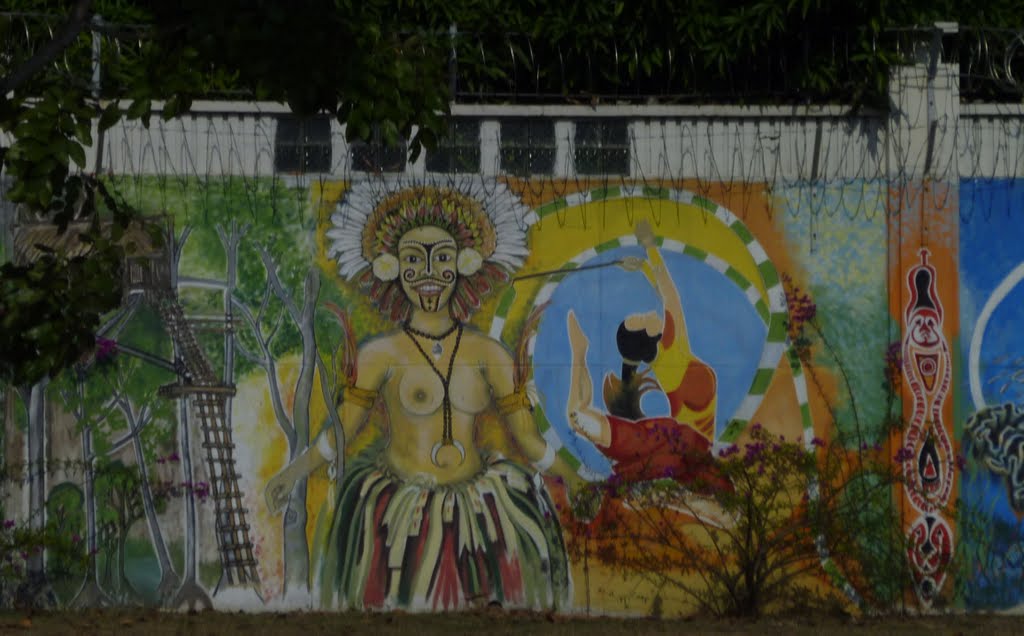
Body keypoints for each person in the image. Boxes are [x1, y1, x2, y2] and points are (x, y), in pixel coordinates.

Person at [265, 184, 579, 611]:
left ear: (466, 265)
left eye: (442, 259)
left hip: (479, 513)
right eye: (413, 260)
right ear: (391, 267)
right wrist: (292, 473)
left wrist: (571, 475)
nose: (429, 274)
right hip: (398, 520)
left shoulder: (489, 354)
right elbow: (339, 434)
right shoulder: (381, 356)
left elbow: (528, 441)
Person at [565, 221, 733, 526]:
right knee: (728, 508)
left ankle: (662, 495)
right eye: (642, 318)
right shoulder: (673, 346)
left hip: (682, 447)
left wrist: (643, 266)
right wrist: (649, 247)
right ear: (653, 334)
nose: (648, 312)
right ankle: (659, 493)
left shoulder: (668, 352)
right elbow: (669, 293)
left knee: (729, 511)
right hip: (677, 440)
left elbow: (665, 296)